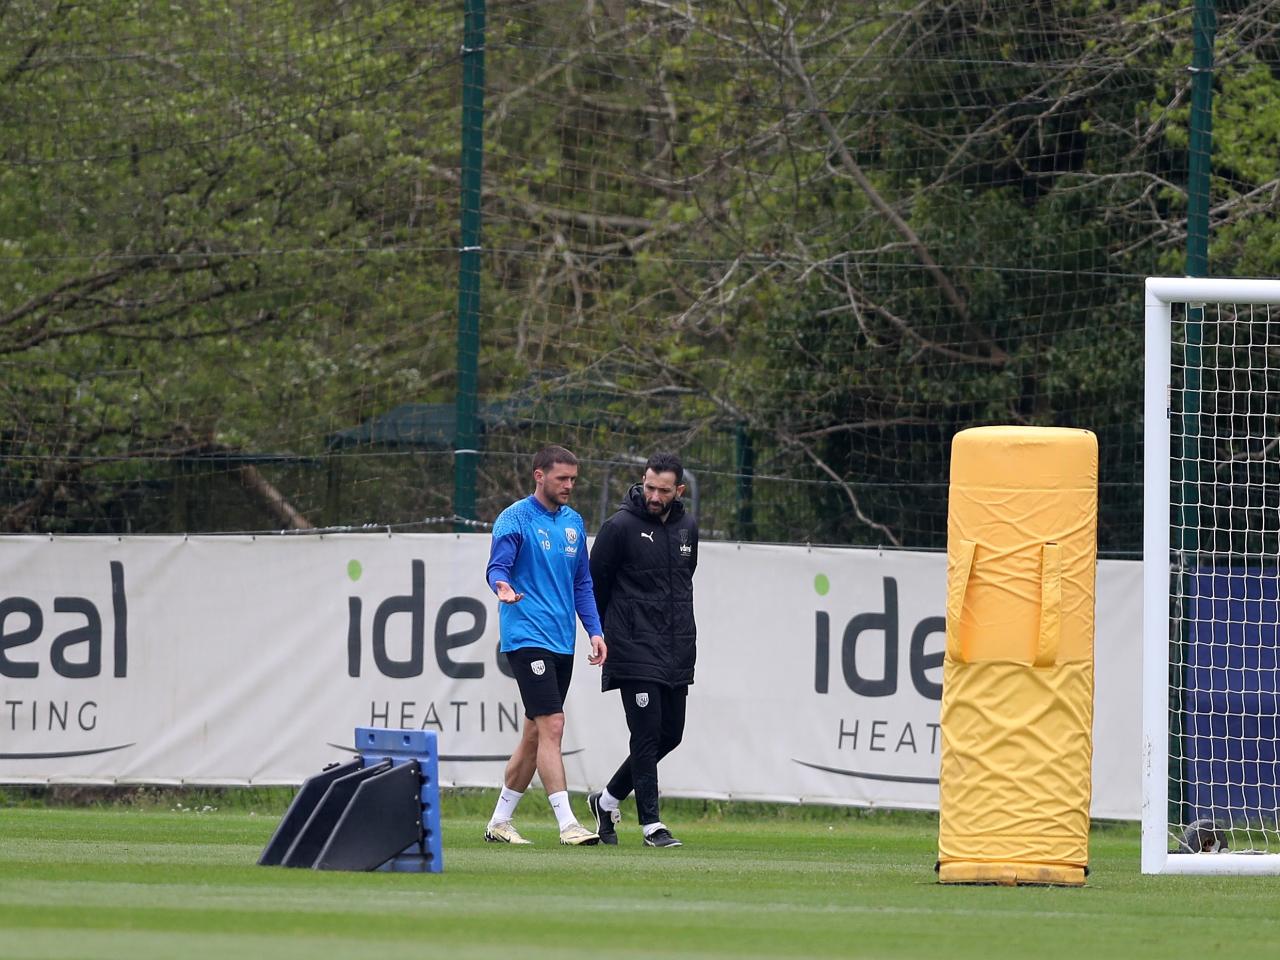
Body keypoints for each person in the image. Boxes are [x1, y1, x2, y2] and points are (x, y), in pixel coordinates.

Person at [484, 445, 608, 846]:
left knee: (535, 734)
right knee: (553, 724)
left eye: (573, 479)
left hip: (561, 642)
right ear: (539, 476)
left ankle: (499, 821)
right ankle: (568, 824)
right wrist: (502, 587)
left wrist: (595, 631)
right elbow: (497, 567)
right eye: (561, 478)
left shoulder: (574, 523)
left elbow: (582, 583)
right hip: (526, 636)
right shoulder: (515, 518)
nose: (569, 485)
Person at [586, 452, 697, 848]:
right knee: (646, 734)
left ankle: (606, 800)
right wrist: (601, 633)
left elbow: (684, 580)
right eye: (649, 487)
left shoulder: (687, 527)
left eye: (663, 490)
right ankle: (651, 825)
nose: (653, 496)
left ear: (678, 490)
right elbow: (594, 585)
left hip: (676, 648)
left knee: (671, 734)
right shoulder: (619, 527)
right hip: (632, 647)